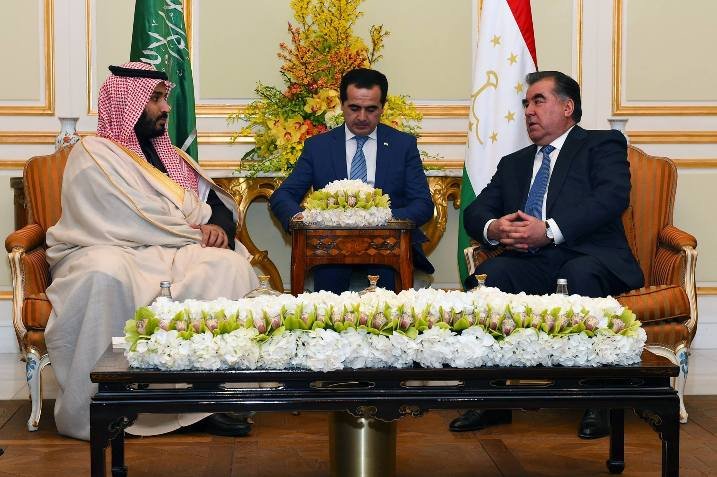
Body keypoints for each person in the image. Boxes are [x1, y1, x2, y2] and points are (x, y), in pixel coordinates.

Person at [44, 62, 259, 441]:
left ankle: (209, 401)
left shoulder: (170, 156)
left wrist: (217, 230)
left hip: (172, 249)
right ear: (128, 104)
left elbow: (215, 206)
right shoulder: (93, 154)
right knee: (104, 273)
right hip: (104, 246)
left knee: (227, 267)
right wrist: (193, 228)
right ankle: (106, 403)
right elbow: (123, 216)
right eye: (156, 99)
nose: (166, 107)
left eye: (165, 98)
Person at [452, 71, 644, 439]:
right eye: (526, 103)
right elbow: (476, 212)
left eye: (538, 101)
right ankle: (491, 399)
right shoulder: (514, 162)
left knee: (579, 273)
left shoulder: (601, 144)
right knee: (490, 279)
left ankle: (596, 399)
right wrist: (496, 228)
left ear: (568, 107)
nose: (528, 110)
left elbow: (611, 197)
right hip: (533, 262)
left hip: (589, 255)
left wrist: (549, 230)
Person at [270, 68, 434, 293]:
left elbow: (422, 204)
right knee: (329, 289)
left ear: (382, 107)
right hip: (331, 248)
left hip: (388, 247)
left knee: (387, 294)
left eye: (371, 109)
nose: (362, 117)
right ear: (342, 105)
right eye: (354, 108)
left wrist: (381, 219)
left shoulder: (402, 145)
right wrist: (303, 219)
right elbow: (283, 196)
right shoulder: (318, 147)